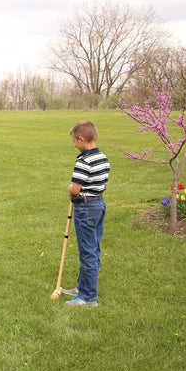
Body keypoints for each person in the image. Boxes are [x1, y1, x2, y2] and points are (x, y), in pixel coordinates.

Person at [63, 121, 110, 307]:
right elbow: (104, 185)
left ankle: (87, 297)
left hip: (86, 208)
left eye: (75, 141)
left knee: (87, 252)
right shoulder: (103, 158)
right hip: (99, 204)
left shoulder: (83, 160)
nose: (75, 144)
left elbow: (75, 188)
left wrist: (69, 189)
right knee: (93, 248)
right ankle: (83, 287)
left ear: (81, 139)